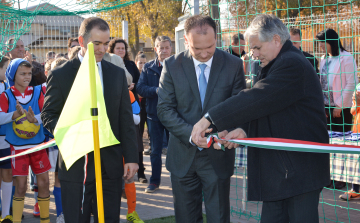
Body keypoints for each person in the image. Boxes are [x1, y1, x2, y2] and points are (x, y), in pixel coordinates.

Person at [191, 14, 330, 222]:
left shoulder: (292, 64)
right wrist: (243, 130)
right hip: (283, 170)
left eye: (257, 48)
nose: (253, 54)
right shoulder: (274, 64)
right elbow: (266, 106)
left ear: (276, 40)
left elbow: (257, 97)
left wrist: (209, 118)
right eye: (251, 48)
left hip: (299, 171)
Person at [41, 17, 139, 223]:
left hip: (110, 166)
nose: (103, 49)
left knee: (110, 218)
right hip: (77, 167)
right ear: (82, 41)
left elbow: (125, 119)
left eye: (106, 43)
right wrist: (75, 131)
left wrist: (131, 157)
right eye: (97, 44)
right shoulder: (61, 75)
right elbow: (49, 114)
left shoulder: (117, 74)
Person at [157, 15, 246, 222]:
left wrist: (231, 130)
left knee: (218, 217)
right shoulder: (172, 66)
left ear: (217, 38)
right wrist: (191, 134)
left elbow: (241, 106)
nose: (205, 53)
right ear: (186, 41)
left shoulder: (233, 65)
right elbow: (164, 109)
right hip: (183, 156)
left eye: (210, 46)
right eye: (197, 49)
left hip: (218, 156)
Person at [1, 59, 51, 223]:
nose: (27, 77)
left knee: (44, 182)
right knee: (20, 186)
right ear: (13, 75)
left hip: (38, 146)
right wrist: (13, 116)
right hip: (17, 148)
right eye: (22, 74)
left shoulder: (38, 92)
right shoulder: (6, 95)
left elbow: (47, 113)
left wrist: (35, 119)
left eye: (29, 73)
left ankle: (45, 220)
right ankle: (15, 220)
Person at [107, 39, 146, 183]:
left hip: (131, 103)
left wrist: (132, 87)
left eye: (123, 48)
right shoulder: (108, 63)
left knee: (136, 140)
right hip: (115, 106)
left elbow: (138, 84)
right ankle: (120, 175)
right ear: (112, 50)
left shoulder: (130, 65)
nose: (121, 51)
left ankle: (140, 172)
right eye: (118, 48)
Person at [137, 36, 172, 193]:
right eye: (160, 47)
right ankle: (155, 181)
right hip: (154, 115)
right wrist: (156, 90)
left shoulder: (178, 65)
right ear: (155, 49)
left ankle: (179, 180)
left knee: (176, 149)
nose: (163, 50)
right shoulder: (148, 67)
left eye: (166, 47)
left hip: (173, 115)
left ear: (170, 48)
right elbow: (140, 88)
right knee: (155, 150)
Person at [0, 56, 13, 222]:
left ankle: (6, 214)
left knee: (8, 174)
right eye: (6, 68)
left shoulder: (7, 86)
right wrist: (14, 115)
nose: (8, 71)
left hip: (7, 140)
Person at [135, 52, 151, 169]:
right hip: (136, 107)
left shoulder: (148, 73)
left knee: (149, 129)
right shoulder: (134, 75)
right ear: (136, 62)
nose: (142, 65)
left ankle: (150, 146)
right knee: (138, 133)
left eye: (144, 63)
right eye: (140, 62)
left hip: (146, 106)